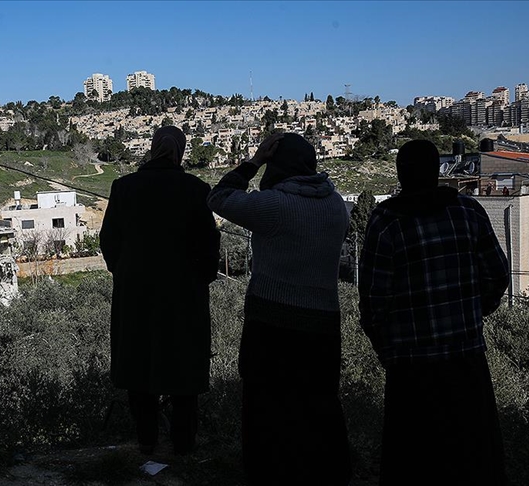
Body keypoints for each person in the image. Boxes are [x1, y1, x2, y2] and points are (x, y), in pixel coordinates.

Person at [358, 140, 510, 486]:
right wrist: (474, 313)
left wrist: (387, 351)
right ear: (437, 171)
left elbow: (372, 300)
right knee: (474, 458)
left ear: (399, 172)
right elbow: (497, 275)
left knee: (414, 462)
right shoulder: (469, 211)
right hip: (465, 358)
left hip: (411, 368)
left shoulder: (386, 222)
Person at [207, 132, 351, 485]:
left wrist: (253, 161)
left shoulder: (273, 206)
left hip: (271, 323)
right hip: (323, 324)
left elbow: (219, 197)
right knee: (319, 406)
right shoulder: (336, 207)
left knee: (265, 407)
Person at [99, 125, 220, 455]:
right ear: (180, 151)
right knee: (183, 368)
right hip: (184, 298)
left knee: (139, 365)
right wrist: (196, 281)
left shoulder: (123, 188)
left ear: (152, 148)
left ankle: (147, 441)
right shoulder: (196, 190)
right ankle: (183, 444)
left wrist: (126, 274)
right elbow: (210, 249)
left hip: (135, 296)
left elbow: (109, 242)